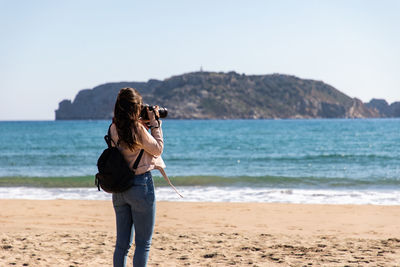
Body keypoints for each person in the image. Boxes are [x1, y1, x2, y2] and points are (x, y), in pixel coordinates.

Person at [110, 87, 164, 267]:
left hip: (119, 187)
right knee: (143, 244)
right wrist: (155, 125)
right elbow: (157, 149)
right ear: (135, 108)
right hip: (140, 186)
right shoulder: (137, 129)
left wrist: (143, 124)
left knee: (121, 245)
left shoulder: (113, 128)